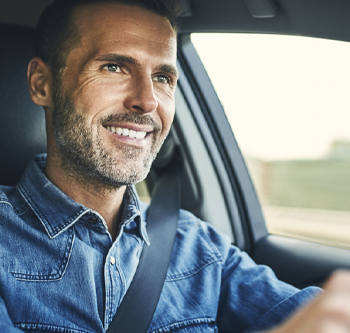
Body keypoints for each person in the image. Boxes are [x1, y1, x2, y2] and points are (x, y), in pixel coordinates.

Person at [1, 0, 350, 332]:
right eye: (114, 66)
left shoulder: (199, 247)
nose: (147, 100)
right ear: (41, 84)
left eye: (164, 77)